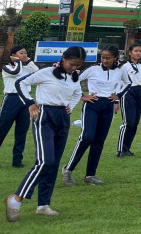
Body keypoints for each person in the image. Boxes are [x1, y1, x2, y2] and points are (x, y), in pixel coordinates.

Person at [5, 46, 84, 221]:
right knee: (44, 161)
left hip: (63, 118)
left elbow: (78, 92)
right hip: (44, 116)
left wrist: (71, 104)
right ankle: (15, 200)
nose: (74, 68)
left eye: (78, 65)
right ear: (63, 58)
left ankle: (43, 205)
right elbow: (21, 83)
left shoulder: (74, 77)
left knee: (54, 163)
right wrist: (30, 104)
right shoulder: (47, 72)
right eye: (72, 64)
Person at [63, 45, 121, 187]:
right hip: (92, 105)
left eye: (108, 58)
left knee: (99, 141)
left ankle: (90, 175)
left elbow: (128, 83)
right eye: (103, 57)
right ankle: (68, 169)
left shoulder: (120, 71)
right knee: (87, 137)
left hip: (107, 106)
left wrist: (118, 97)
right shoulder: (93, 69)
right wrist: (83, 96)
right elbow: (74, 79)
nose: (105, 60)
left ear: (115, 58)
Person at [1, 45, 38, 168]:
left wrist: (27, 61)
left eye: (25, 52)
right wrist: (17, 61)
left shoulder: (27, 68)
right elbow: (16, 71)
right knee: (2, 129)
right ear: (13, 55)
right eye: (21, 53)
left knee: (22, 131)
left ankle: (17, 160)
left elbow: (36, 71)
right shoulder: (7, 67)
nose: (24, 55)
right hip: (11, 100)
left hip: (25, 100)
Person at [115, 44, 141, 158]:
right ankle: (120, 150)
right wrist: (116, 100)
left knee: (135, 123)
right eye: (136, 51)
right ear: (130, 52)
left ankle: (127, 148)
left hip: (139, 93)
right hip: (128, 93)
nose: (138, 53)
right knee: (128, 123)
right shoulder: (124, 67)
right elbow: (119, 83)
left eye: (140, 51)